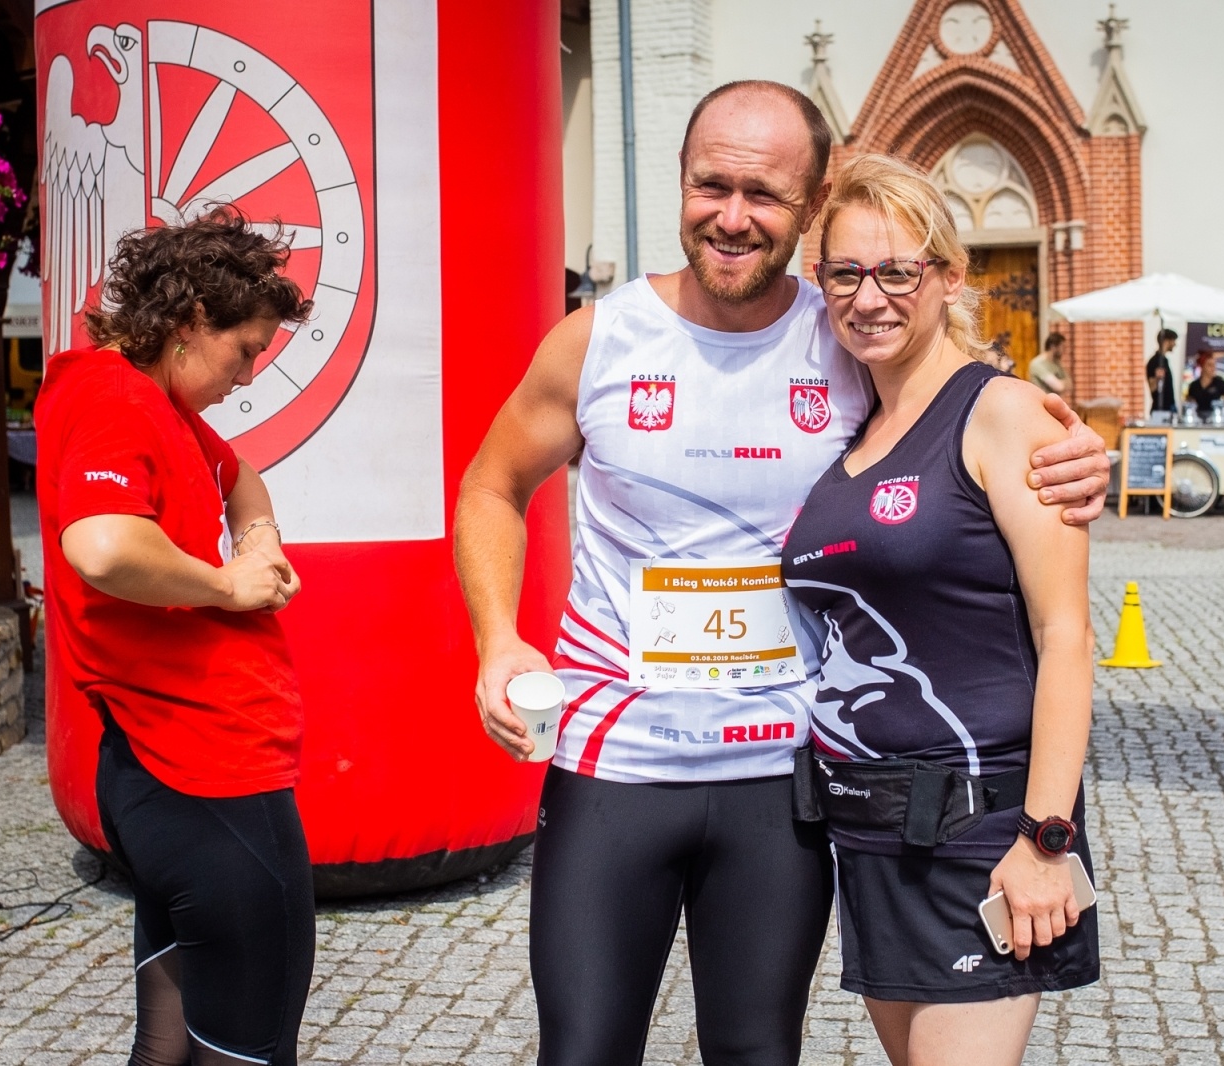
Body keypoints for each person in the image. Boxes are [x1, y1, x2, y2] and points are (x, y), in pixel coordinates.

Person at [453, 81, 1111, 1066]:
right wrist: (499, 638)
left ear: (806, 208)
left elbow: (956, 414)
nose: (730, 215)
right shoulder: (598, 341)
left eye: (762, 194)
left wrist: (1075, 453)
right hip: (614, 765)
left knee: (757, 1052)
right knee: (581, 1050)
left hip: (785, 782)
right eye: (708, 185)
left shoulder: (845, 336)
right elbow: (490, 486)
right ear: (678, 184)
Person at [782, 153, 1097, 1066]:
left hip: (984, 832)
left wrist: (1045, 839)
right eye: (845, 272)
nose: (868, 296)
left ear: (949, 277)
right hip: (873, 837)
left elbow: (1066, 637)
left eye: (896, 271)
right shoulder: (851, 427)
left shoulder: (1002, 415)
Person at [36, 210, 314, 1066]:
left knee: (166, 1043)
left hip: (162, 768)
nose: (250, 372)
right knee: (249, 1047)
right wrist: (227, 584)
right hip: (205, 772)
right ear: (191, 323)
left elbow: (244, 477)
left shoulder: (151, 400)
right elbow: (105, 547)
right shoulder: (115, 400)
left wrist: (258, 539)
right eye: (246, 349)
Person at [1185, 348, 1224, 420]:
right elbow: (1189, 403)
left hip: (1215, 418)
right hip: (1198, 420)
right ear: (1202, 366)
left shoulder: (1220, 383)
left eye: (1214, 365)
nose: (1213, 368)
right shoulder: (1194, 385)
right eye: (1210, 365)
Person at [1027, 330, 1071, 395]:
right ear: (1053, 347)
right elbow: (1059, 387)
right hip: (1042, 403)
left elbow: (1070, 384)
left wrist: (1063, 383)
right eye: (1062, 347)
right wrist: (1064, 383)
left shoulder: (1056, 363)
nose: (1064, 351)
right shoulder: (1038, 364)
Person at [1146, 328, 1177, 415]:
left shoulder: (1164, 360)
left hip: (1169, 407)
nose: (1175, 344)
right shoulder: (1155, 362)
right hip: (1161, 409)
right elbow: (1152, 387)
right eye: (1173, 341)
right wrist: (1157, 378)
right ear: (1166, 341)